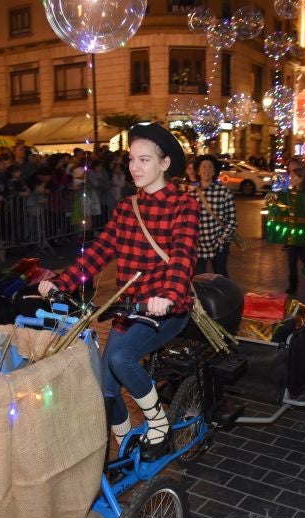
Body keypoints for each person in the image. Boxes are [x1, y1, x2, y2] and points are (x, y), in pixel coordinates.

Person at [38, 123, 198, 461]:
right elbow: (99, 250)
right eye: (132, 160)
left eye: (144, 160)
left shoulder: (184, 206)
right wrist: (61, 282)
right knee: (105, 386)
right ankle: (124, 446)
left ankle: (159, 425)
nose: (135, 168)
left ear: (164, 164)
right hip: (129, 309)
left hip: (166, 310)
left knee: (120, 358)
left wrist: (168, 295)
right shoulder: (128, 208)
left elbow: (183, 256)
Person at [266, 167, 305, 294]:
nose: (292, 179)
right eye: (291, 177)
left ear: (302, 178)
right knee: (292, 260)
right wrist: (273, 196)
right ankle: (293, 286)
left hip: (304, 232)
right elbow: (280, 205)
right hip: (291, 231)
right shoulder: (288, 193)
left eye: (295, 177)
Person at [192, 155, 237, 277]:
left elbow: (232, 221)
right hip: (198, 245)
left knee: (221, 277)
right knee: (198, 280)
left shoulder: (224, 192)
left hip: (219, 244)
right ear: (198, 171)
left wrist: (222, 240)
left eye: (210, 167)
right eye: (203, 166)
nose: (206, 169)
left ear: (214, 171)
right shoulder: (191, 194)